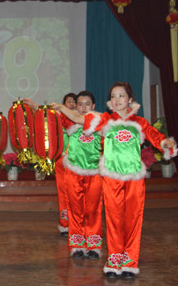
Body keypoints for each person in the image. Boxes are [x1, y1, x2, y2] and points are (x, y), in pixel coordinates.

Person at [55, 82, 178, 279]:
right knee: (113, 221)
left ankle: (129, 263)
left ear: (130, 99)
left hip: (134, 180)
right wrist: (62, 108)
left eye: (121, 95)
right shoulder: (105, 120)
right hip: (112, 180)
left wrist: (166, 143)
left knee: (133, 221)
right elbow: (79, 118)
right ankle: (113, 262)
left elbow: (156, 137)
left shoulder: (139, 122)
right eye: (113, 96)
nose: (117, 99)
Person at [50, 91, 104, 260]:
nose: (83, 107)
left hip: (94, 174)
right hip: (73, 174)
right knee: (75, 210)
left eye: (87, 104)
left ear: (93, 106)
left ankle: (94, 246)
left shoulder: (100, 121)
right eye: (80, 104)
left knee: (93, 210)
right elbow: (49, 114)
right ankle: (77, 246)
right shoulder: (70, 121)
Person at [56, 92, 77, 236]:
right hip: (62, 161)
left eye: (74, 102)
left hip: (78, 162)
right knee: (63, 193)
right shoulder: (59, 118)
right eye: (69, 101)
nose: (72, 104)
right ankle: (65, 224)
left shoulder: (82, 120)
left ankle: (78, 225)